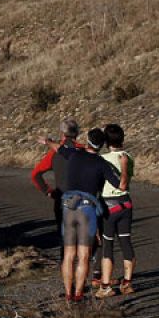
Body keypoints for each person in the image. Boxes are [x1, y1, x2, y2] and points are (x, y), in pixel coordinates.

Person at [55, 128, 129, 303]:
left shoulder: (73, 154)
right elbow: (122, 186)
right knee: (84, 255)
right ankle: (79, 294)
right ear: (102, 145)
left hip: (68, 206)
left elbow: (57, 148)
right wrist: (124, 164)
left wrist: (47, 141)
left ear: (87, 140)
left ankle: (68, 293)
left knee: (68, 254)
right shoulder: (101, 163)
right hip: (87, 209)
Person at [95, 124, 136, 297]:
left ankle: (105, 285)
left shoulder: (102, 159)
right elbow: (127, 180)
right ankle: (127, 282)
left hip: (108, 204)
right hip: (126, 203)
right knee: (126, 242)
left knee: (108, 245)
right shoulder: (128, 157)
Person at [32, 118, 82, 255]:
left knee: (65, 238)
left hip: (61, 199)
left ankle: (65, 267)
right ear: (77, 133)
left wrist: (48, 192)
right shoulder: (83, 150)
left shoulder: (54, 154)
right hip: (83, 200)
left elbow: (36, 174)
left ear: (62, 134)